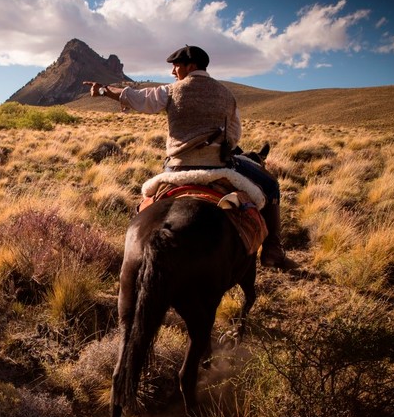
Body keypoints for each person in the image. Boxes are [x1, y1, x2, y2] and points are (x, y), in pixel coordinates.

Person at [84, 45, 293, 269]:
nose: (173, 72)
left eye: (176, 66)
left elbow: (138, 98)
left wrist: (105, 91)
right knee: (270, 185)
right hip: (218, 167)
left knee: (146, 204)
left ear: (190, 66)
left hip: (177, 169)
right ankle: (272, 249)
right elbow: (234, 134)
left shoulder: (172, 91)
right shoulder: (226, 94)